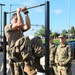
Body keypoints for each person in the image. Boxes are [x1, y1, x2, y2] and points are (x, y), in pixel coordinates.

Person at [4, 7, 36, 75]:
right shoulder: (8, 27)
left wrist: (26, 14)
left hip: (21, 54)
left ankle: (34, 62)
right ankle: (27, 62)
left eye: (18, 19)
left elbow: (28, 26)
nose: (17, 20)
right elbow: (20, 23)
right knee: (25, 39)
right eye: (16, 19)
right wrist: (18, 12)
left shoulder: (19, 29)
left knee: (37, 39)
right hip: (14, 52)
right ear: (11, 20)